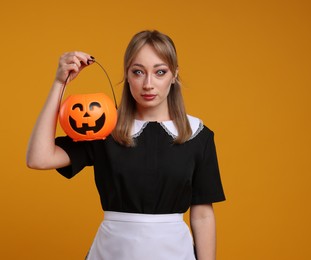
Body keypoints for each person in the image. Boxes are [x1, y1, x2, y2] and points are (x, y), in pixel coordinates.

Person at [26, 30, 225, 260]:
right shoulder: (103, 128)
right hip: (112, 251)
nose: (148, 84)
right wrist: (59, 83)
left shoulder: (197, 134)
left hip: (174, 252)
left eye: (160, 72)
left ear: (174, 75)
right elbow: (38, 158)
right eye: (138, 72)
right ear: (127, 75)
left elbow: (202, 215)